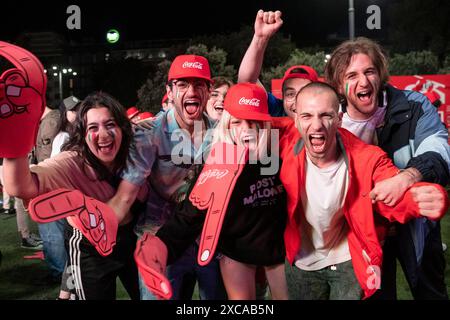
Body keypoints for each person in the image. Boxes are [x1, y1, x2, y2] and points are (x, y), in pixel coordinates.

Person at [280, 82, 447, 299]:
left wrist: (418, 199)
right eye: (307, 116)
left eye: (325, 115)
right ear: (296, 119)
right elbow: (253, 125)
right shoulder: (287, 142)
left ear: (339, 119)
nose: (317, 125)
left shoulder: (367, 157)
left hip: (348, 260)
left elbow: (390, 188)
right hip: (301, 261)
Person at [324, 37, 450, 300]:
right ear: (338, 84)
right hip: (366, 236)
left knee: (430, 293)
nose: (364, 81)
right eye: (352, 75)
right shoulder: (333, 123)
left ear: (380, 73)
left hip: (418, 228)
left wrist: (406, 178)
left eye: (369, 71)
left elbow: (440, 150)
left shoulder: (414, 105)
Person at [140, 83, 288, 300]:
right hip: (236, 253)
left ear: (265, 124)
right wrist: (160, 247)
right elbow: (189, 214)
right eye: (237, 122)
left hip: (278, 252)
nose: (245, 129)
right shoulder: (218, 164)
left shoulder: (282, 153)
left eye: (253, 121)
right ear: (227, 126)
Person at [108, 54, 226, 300]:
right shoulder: (147, 134)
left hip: (209, 241)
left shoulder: (221, 134)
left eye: (199, 84)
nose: (191, 91)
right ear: (170, 91)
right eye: (183, 84)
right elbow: (125, 196)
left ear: (208, 90)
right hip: (160, 240)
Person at [3, 92, 140, 300]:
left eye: (110, 124)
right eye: (93, 128)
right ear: (82, 134)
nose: (102, 135)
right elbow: (20, 186)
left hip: (134, 237)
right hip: (88, 245)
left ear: (122, 127)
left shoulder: (137, 151)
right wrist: (16, 137)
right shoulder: (72, 161)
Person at [238, 10, 318, 119]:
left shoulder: (327, 122)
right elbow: (246, 83)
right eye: (290, 94)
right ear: (283, 98)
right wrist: (260, 38)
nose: (297, 101)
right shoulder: (277, 111)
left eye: (305, 92)